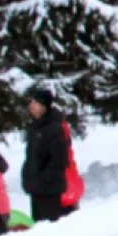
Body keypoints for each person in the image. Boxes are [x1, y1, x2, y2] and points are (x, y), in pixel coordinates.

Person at [21, 86, 79, 223]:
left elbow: (59, 160)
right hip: (36, 189)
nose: (31, 106)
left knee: (49, 230)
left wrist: (43, 180)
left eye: (35, 103)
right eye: (31, 103)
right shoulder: (35, 128)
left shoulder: (54, 128)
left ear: (44, 106)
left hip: (49, 190)